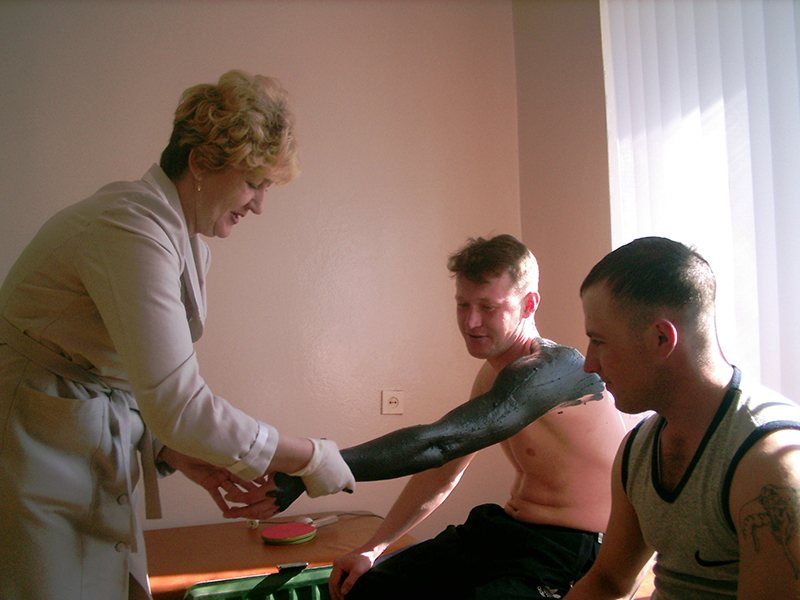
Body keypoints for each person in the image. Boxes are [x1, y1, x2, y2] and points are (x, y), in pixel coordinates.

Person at [0, 70, 355, 600]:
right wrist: (309, 456)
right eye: (253, 182)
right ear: (201, 162)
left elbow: (148, 388)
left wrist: (172, 449)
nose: (259, 204)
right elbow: (180, 403)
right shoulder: (127, 228)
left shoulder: (182, 242)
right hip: (35, 445)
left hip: (81, 442)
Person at [325, 234, 626, 600]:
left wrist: (316, 463)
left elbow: (439, 442)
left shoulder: (556, 370)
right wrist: (372, 549)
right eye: (463, 305)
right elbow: (441, 471)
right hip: (508, 531)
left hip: (571, 549)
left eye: (488, 307)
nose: (471, 321)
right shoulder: (492, 376)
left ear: (528, 304)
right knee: (366, 587)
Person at [566, 236, 800, 599]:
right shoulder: (638, 449)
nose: (589, 364)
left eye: (599, 341)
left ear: (661, 338)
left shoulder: (767, 463)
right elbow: (608, 581)